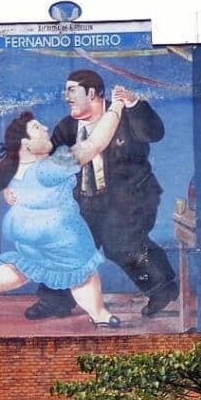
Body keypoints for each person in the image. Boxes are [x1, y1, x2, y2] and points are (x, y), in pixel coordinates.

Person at [0, 88, 138, 328]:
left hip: (23, 231)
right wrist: (116, 107)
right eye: (37, 128)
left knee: (26, 265)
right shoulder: (50, 167)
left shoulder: (15, 169)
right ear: (25, 144)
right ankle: (98, 313)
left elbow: (10, 189)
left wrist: (8, 193)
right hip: (57, 232)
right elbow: (95, 143)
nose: (46, 128)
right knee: (82, 269)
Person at [23, 68, 178, 321]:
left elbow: (155, 134)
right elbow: (55, 163)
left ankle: (163, 288)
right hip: (85, 199)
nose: (67, 97)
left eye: (72, 90)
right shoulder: (66, 127)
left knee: (120, 243)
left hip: (130, 196)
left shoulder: (127, 115)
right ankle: (55, 301)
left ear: (92, 93)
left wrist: (133, 103)